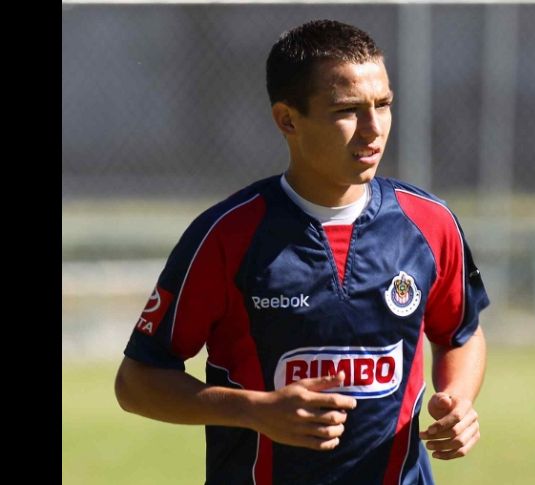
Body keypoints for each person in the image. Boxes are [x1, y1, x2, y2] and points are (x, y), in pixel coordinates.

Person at [114, 19, 489, 485]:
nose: (373, 129)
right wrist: (257, 411)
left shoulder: (429, 223)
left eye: (384, 104)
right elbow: (137, 382)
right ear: (288, 119)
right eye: (346, 110)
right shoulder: (227, 235)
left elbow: (460, 332)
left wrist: (458, 397)